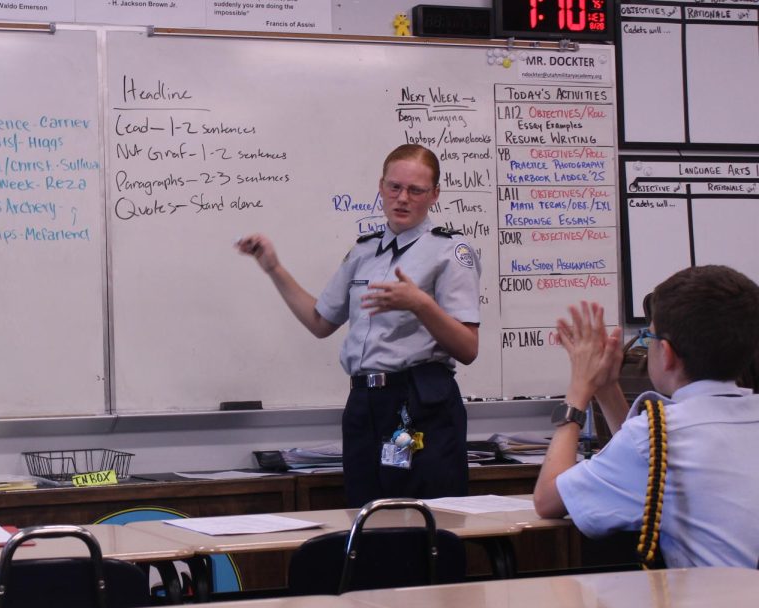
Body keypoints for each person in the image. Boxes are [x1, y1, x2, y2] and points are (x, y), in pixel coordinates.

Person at [237, 144, 481, 507]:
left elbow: (468, 348)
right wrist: (273, 268)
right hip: (365, 402)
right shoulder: (364, 251)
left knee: (425, 523)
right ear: (381, 187)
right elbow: (320, 321)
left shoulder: (450, 252)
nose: (402, 199)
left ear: (434, 195)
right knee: (367, 517)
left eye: (415, 191)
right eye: (394, 187)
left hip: (420, 401)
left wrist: (420, 304)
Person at [534, 265, 759, 569]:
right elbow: (647, 459)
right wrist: (605, 388)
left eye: (648, 335)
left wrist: (578, 392)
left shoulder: (659, 435)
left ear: (665, 353)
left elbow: (548, 499)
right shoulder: (658, 436)